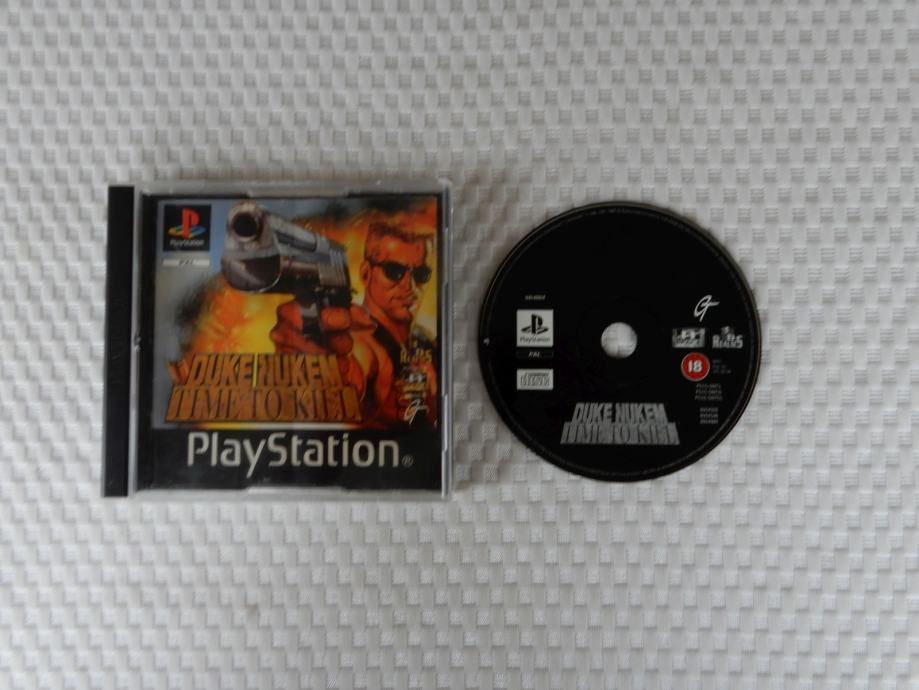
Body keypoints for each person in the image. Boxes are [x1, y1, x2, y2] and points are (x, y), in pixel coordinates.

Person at [270, 221, 437, 427]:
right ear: (366, 273)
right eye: (394, 271)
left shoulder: (424, 339)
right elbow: (352, 369)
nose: (409, 286)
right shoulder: (359, 341)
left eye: (421, 274)